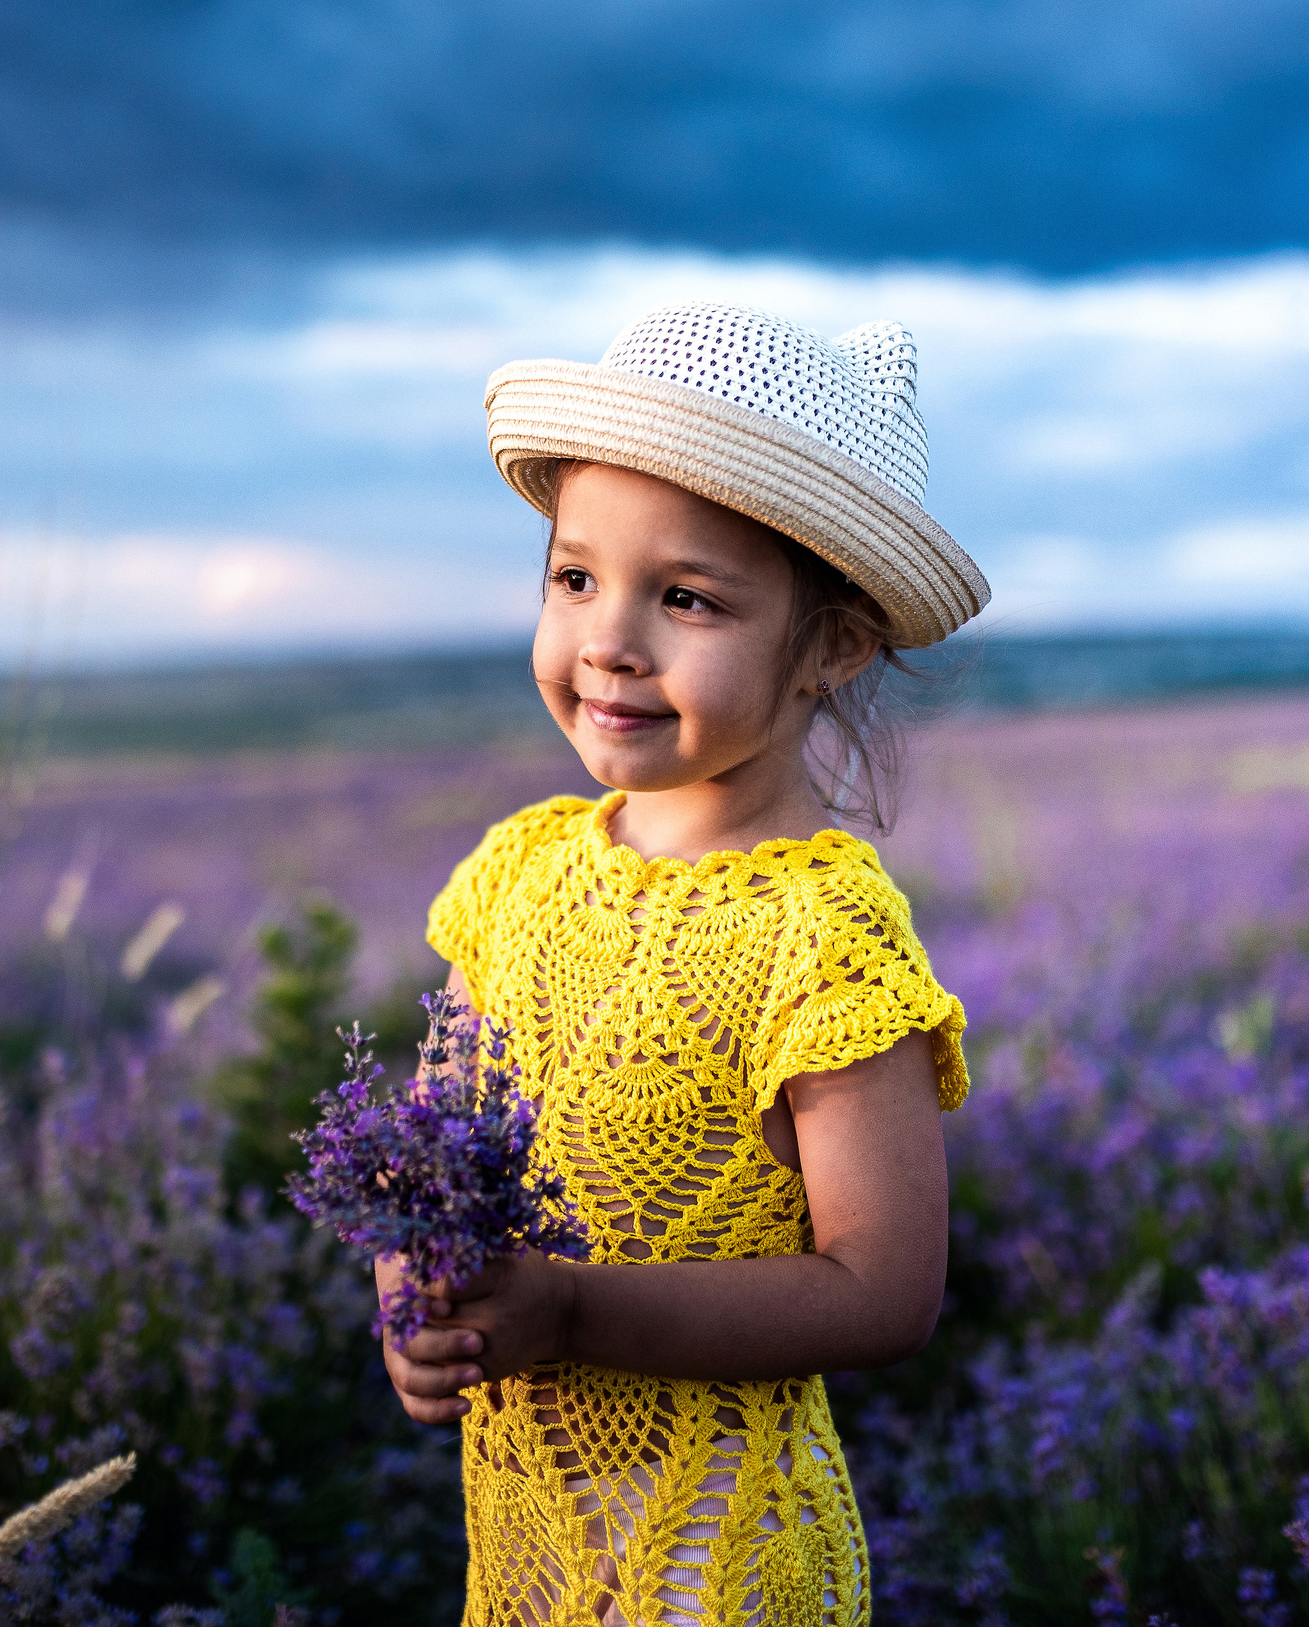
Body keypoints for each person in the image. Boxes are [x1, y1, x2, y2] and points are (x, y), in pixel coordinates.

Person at [388, 302, 992, 1627]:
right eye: (576, 578)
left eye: (685, 597)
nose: (612, 638)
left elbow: (884, 1289)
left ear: (832, 644)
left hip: (728, 1569)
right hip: (535, 1549)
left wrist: (572, 1311)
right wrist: (420, 1290)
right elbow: (436, 1147)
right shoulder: (517, 876)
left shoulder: (821, 933)